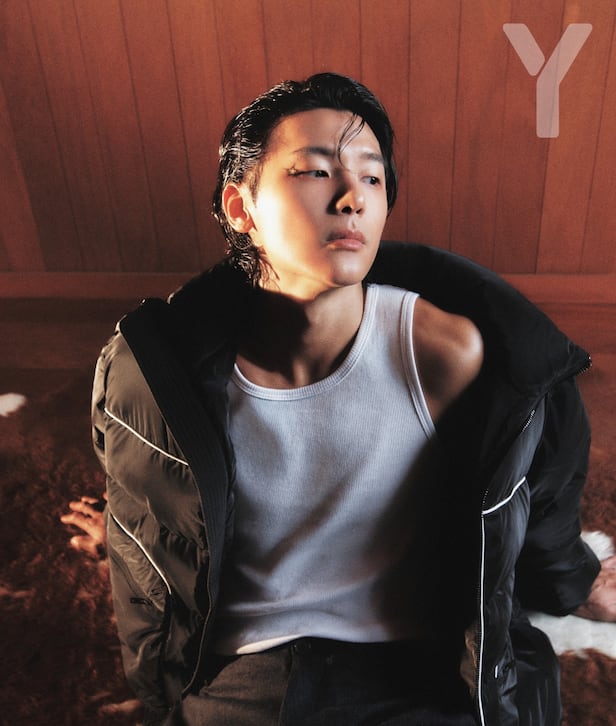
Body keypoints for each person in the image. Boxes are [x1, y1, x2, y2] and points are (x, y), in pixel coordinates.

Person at [85, 72, 615, 726]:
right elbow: (144, 540)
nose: (351, 199)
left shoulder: (445, 352)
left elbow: (534, 486)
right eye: (314, 172)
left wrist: (571, 580)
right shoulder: (157, 379)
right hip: (248, 674)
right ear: (240, 208)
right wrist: (155, 672)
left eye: (372, 177)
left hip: (415, 666)